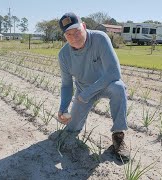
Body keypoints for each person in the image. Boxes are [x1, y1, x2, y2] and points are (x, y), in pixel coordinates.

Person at [57, 12, 130, 160]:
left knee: (119, 87)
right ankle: (73, 128)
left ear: (84, 26)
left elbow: (114, 72)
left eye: (77, 31)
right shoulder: (63, 55)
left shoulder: (100, 38)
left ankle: (118, 136)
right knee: (71, 130)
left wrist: (87, 93)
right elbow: (66, 85)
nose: (74, 37)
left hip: (106, 85)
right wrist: (63, 108)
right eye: (68, 34)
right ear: (64, 36)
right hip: (83, 91)